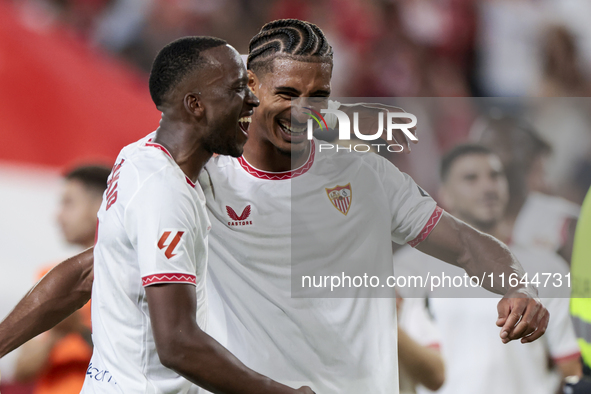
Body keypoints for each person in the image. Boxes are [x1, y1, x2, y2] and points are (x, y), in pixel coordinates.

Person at [0, 20, 548, 394]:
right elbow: (93, 272)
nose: (306, 111)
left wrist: (516, 286)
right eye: (288, 94)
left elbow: (466, 243)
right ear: (251, 87)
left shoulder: (366, 177)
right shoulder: (200, 179)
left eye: (321, 94)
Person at [73, 36, 311, 394]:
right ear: (196, 105)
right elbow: (178, 345)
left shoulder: (139, 156)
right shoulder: (164, 194)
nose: (252, 99)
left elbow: (89, 271)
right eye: (237, 89)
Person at [393, 144, 581, 394]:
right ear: (445, 194)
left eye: (495, 176)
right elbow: (416, 369)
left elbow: (569, 365)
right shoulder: (411, 267)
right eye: (471, 178)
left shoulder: (547, 266)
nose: (488, 187)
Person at [13, 165, 110, 394]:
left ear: (100, 206)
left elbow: (138, 362)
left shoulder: (125, 277)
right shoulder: (49, 276)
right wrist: (55, 334)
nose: (58, 216)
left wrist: (78, 329)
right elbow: (22, 371)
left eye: (69, 203)